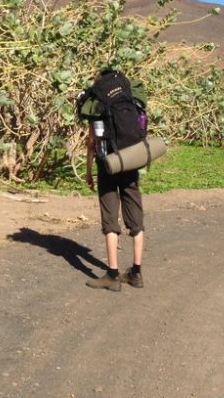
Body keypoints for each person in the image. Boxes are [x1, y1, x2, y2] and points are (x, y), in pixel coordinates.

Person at [79, 71, 147, 292]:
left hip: (107, 165)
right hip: (130, 161)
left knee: (110, 218)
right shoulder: (130, 99)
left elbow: (92, 143)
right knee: (135, 219)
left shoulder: (97, 105)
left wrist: (88, 171)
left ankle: (113, 275)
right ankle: (136, 273)